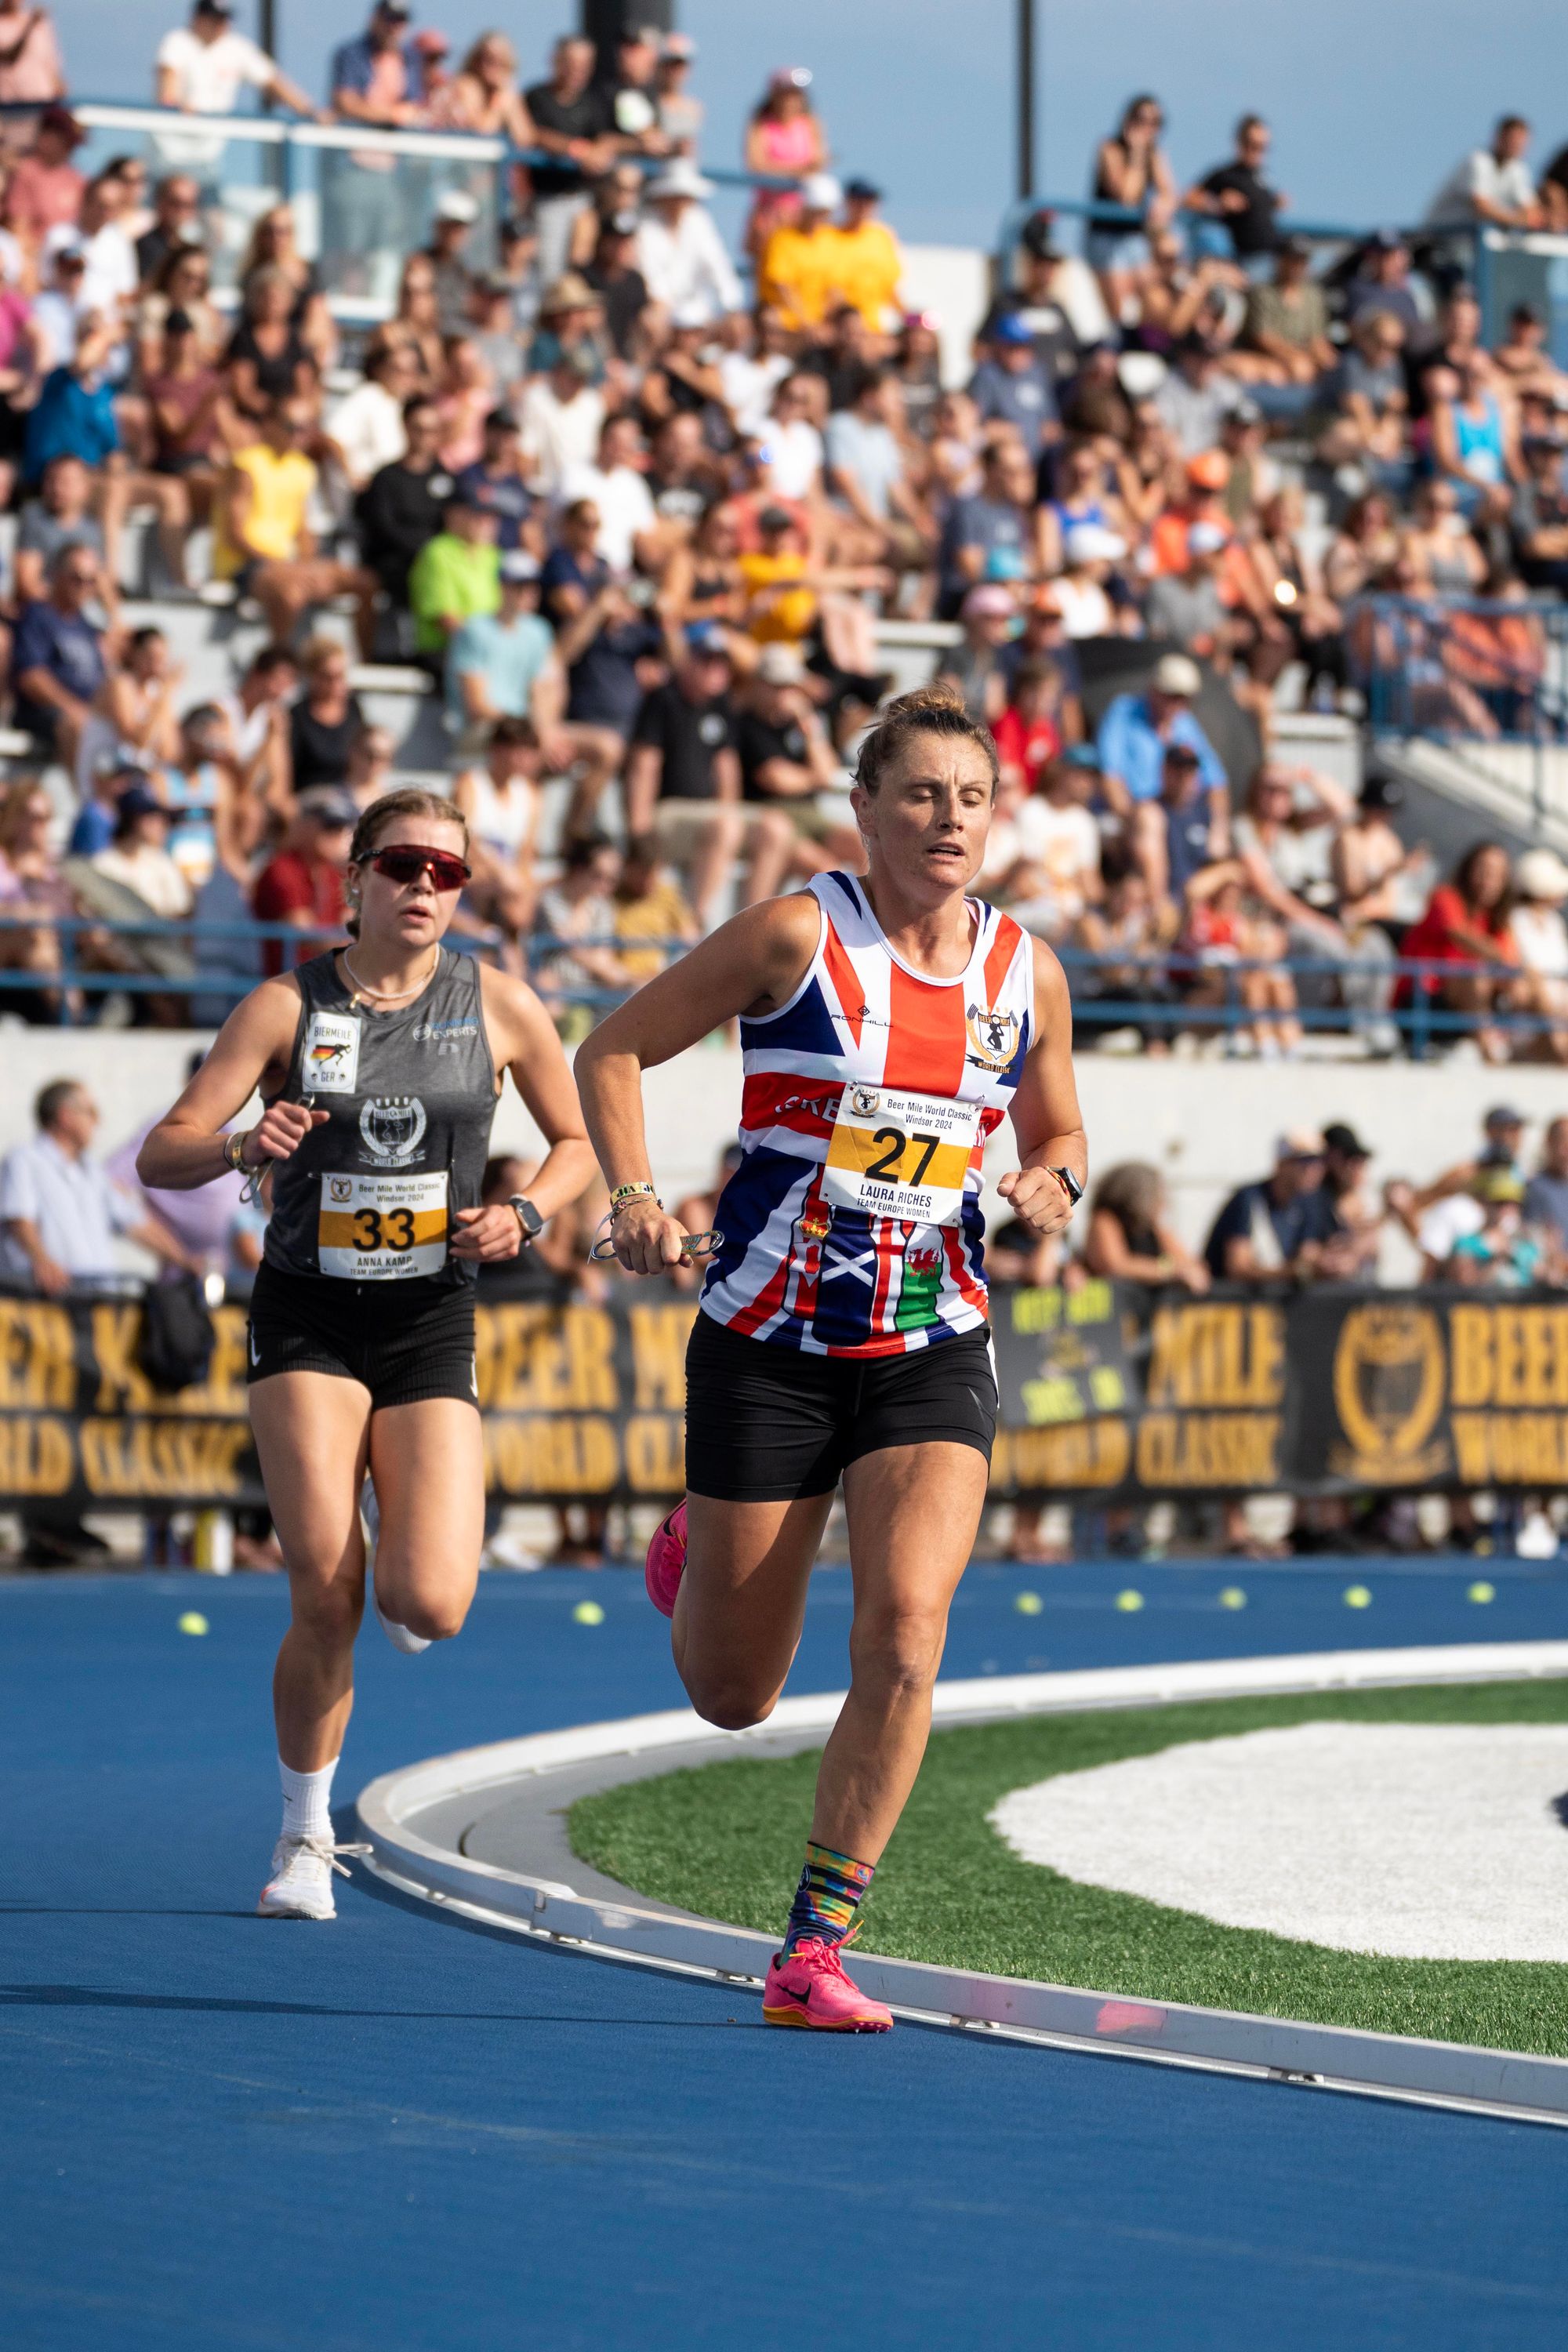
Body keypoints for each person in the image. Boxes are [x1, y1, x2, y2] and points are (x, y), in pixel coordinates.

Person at [575, 681, 1085, 2032]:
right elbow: (613, 1051)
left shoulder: (1023, 970)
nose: (948, 820)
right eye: (920, 794)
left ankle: (813, 1949)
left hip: (932, 1338)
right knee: (734, 1694)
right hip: (770, 1343)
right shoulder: (798, 935)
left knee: (907, 1634)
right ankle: (697, 1544)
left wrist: (1052, 1183)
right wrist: (632, 1196)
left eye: (971, 798)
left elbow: (1063, 1133)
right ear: (864, 809)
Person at [136, 787, 595, 1922]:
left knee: (431, 1603)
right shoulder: (286, 1003)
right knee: (324, 1591)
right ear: (355, 879)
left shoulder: (499, 1003)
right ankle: (304, 1840)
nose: (427, 888)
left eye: (451, 874)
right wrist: (245, 1141)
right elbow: (164, 1151)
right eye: (405, 866)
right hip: (309, 1314)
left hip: (431, 1312)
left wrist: (528, 1214)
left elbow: (579, 1142)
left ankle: (403, 1550)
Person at [213, 397, 377, 657]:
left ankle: (366, 662)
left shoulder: (300, 468)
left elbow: (302, 530)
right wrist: (285, 565)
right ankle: (278, 661)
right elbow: (236, 535)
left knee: (364, 583)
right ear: (269, 426)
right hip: (245, 563)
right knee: (291, 594)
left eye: (306, 428)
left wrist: (306, 564)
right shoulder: (246, 465)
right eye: (292, 427)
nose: (300, 435)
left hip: (284, 563)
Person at [0, 1079, 194, 1296]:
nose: (97, 1121)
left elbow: (136, 1223)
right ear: (66, 1116)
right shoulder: (24, 1160)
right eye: (91, 1112)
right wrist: (42, 1261)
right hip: (45, 1301)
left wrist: (185, 1261)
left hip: (97, 1301)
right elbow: (18, 1219)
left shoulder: (93, 1171)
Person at [1095, 652, 1227, 828]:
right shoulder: (1124, 712)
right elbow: (1110, 777)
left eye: (1184, 698)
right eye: (1171, 695)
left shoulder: (1186, 723)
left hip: (1179, 818)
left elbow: (1216, 782)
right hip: (1133, 816)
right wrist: (1135, 821)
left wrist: (1219, 828)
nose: (1177, 704)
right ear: (1154, 689)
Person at [12, 540, 107, 773]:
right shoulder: (37, 616)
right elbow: (31, 678)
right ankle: (90, 804)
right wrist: (74, 709)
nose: (84, 586)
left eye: (91, 580)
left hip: (85, 714)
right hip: (44, 713)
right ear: (56, 575)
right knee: (78, 725)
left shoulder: (87, 627)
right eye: (77, 578)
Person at [1203, 1130, 1338, 1281]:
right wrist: (1294, 1273)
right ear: (1281, 1164)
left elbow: (1309, 1254)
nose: (1315, 1169)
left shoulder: (1310, 1203)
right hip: (1230, 1303)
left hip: (1273, 1303)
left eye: (1321, 1162)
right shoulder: (1249, 1199)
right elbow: (1238, 1268)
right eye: (1305, 1161)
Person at [251, 786, 354, 975]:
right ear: (303, 825)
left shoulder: (334, 874)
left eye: (341, 828)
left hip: (322, 980)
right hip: (286, 983)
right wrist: (356, 948)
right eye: (329, 826)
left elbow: (349, 922)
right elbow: (304, 932)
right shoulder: (281, 869)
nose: (337, 835)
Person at [156, 0, 318, 121]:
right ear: (198, 19)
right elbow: (168, 81)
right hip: (169, 149)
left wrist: (311, 112)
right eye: (216, 20)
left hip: (209, 151)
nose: (222, 25)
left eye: (224, 19)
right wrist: (174, 105)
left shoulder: (237, 48)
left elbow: (272, 81)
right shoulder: (178, 41)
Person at [635, 161, 742, 326]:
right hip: (662, 310)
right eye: (676, 196)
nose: (680, 203)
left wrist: (731, 306)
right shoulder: (646, 224)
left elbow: (717, 262)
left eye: (685, 197)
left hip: (698, 308)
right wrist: (661, 304)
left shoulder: (699, 220)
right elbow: (649, 270)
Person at [1082, 1161, 1207, 1290]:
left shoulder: (1155, 1228)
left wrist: (1179, 1270)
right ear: (1140, 1196)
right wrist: (1169, 1270)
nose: (1164, 1202)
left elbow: (1189, 1266)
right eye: (1157, 1195)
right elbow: (1115, 1265)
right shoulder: (1106, 1219)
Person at [1186, 114, 1286, 265]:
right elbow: (1188, 199)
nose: (1258, 152)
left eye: (1263, 147)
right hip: (1245, 259)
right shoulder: (1226, 174)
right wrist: (1218, 204)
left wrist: (1277, 202)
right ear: (1240, 142)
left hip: (1274, 255)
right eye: (1253, 145)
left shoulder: (1264, 176)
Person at [1426, 114, 1541, 230]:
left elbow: (1531, 211)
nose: (1516, 146)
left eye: (1521, 142)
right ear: (1499, 137)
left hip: (1475, 239)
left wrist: (1525, 218)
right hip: (1442, 235)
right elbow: (1481, 208)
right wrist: (1517, 220)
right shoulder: (1478, 161)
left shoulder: (1518, 169)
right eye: (1512, 140)